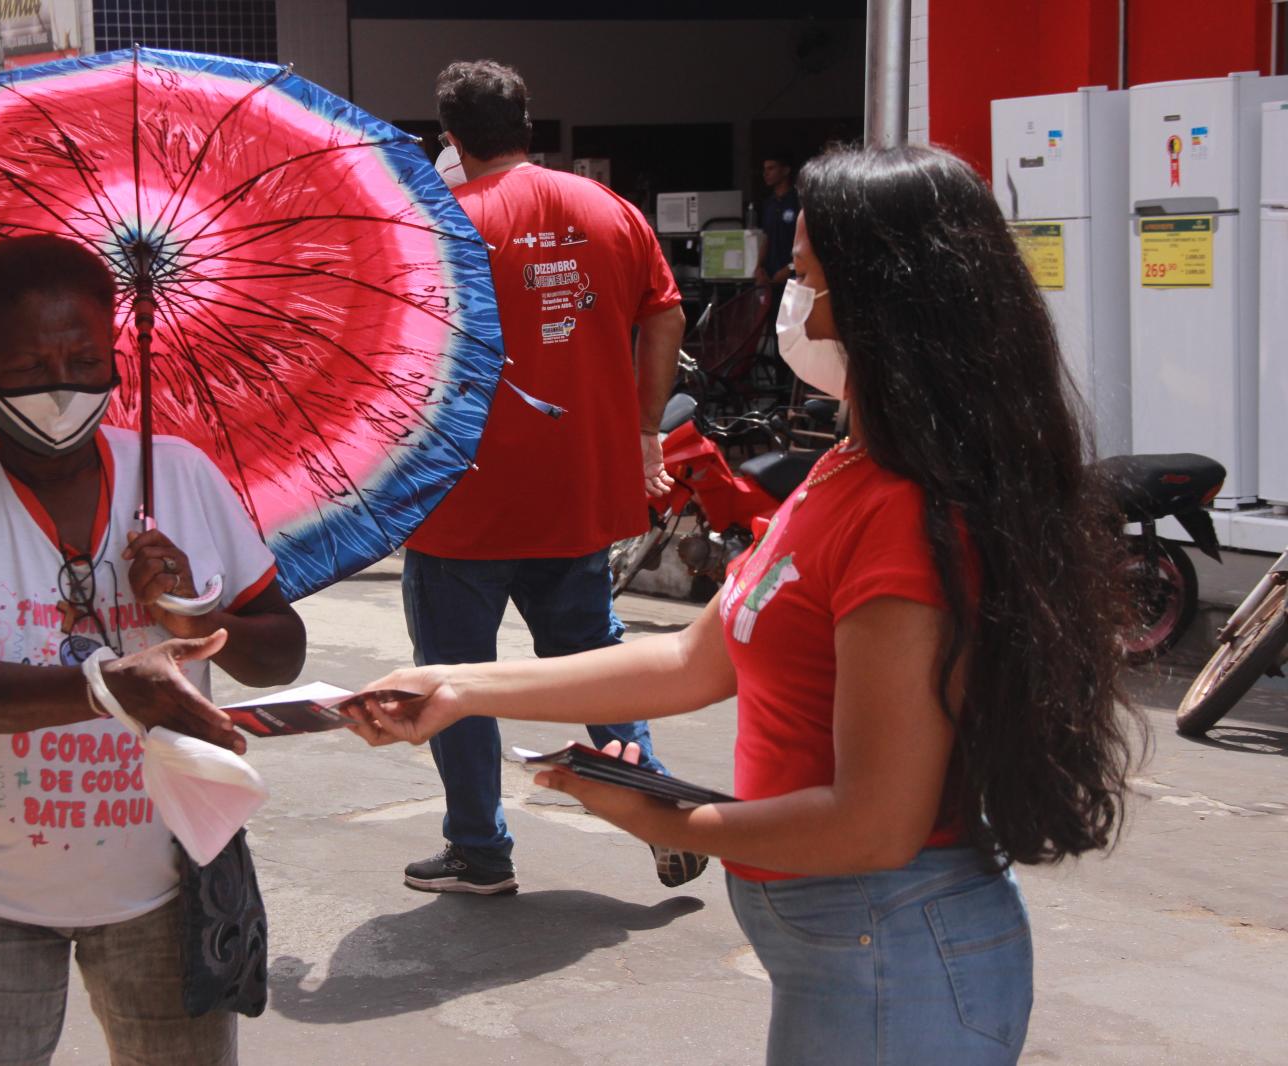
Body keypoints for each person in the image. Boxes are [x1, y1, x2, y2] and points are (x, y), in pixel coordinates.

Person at [350, 145, 1140, 1064]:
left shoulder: (905, 516)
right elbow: (696, 659)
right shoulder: (844, 468)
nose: (786, 305)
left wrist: (668, 821)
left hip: (894, 959)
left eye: (802, 276)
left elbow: (875, 822)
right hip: (848, 955)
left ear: (884, 301)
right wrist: (459, 686)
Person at [0, 235, 306, 1065]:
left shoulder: (181, 475)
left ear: (118, 351)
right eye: (27, 364)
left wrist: (194, 616)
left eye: (84, 358)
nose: (61, 387)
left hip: (166, 886)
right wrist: (118, 686)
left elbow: (281, 653)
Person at [400, 59, 697, 896]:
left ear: (451, 139)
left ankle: (480, 852)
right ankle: (660, 817)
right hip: (576, 499)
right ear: (528, 122)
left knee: (457, 685)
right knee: (597, 671)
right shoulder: (608, 210)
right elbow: (665, 310)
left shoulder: (441, 226)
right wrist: (644, 428)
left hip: (461, 505)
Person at [754, 152, 800, 289]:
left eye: (771, 168)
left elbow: (807, 243)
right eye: (764, 169)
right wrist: (759, 267)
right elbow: (766, 238)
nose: (766, 173)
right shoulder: (768, 204)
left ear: (785, 170)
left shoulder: (797, 201)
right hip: (771, 277)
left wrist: (790, 268)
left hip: (793, 276)